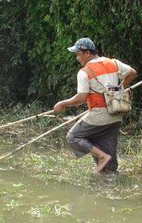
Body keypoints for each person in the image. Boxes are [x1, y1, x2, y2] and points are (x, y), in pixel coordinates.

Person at [53, 38, 137, 173]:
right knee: (109, 168)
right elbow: (132, 73)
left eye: (78, 54)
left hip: (99, 116)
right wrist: (120, 89)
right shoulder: (113, 62)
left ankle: (101, 156)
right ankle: (109, 183)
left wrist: (62, 104)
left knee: (73, 137)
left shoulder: (84, 72)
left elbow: (81, 98)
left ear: (87, 53)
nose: (77, 58)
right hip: (116, 116)